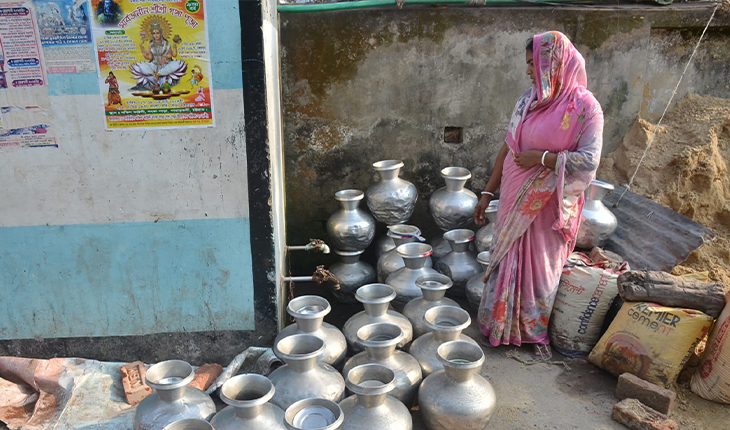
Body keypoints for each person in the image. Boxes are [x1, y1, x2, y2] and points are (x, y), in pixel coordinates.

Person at [473, 31, 604, 360]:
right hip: (515, 195)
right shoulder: (526, 99)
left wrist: (543, 159)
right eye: (528, 64)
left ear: (555, 64)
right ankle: (499, 325)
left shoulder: (585, 107)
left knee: (542, 265)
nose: (530, 71)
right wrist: (488, 192)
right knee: (506, 256)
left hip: (549, 203)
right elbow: (508, 146)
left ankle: (532, 330)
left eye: (535, 64)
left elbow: (589, 160)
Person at [130, 18, 186, 90]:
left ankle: (157, 76)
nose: (156, 35)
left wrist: (165, 57)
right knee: (142, 66)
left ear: (161, 33)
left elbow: (170, 54)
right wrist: (141, 46)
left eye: (157, 33)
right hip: (154, 65)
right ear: (152, 34)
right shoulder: (151, 44)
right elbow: (150, 57)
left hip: (165, 65)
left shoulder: (166, 43)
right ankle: (157, 81)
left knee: (176, 64)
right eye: (154, 33)